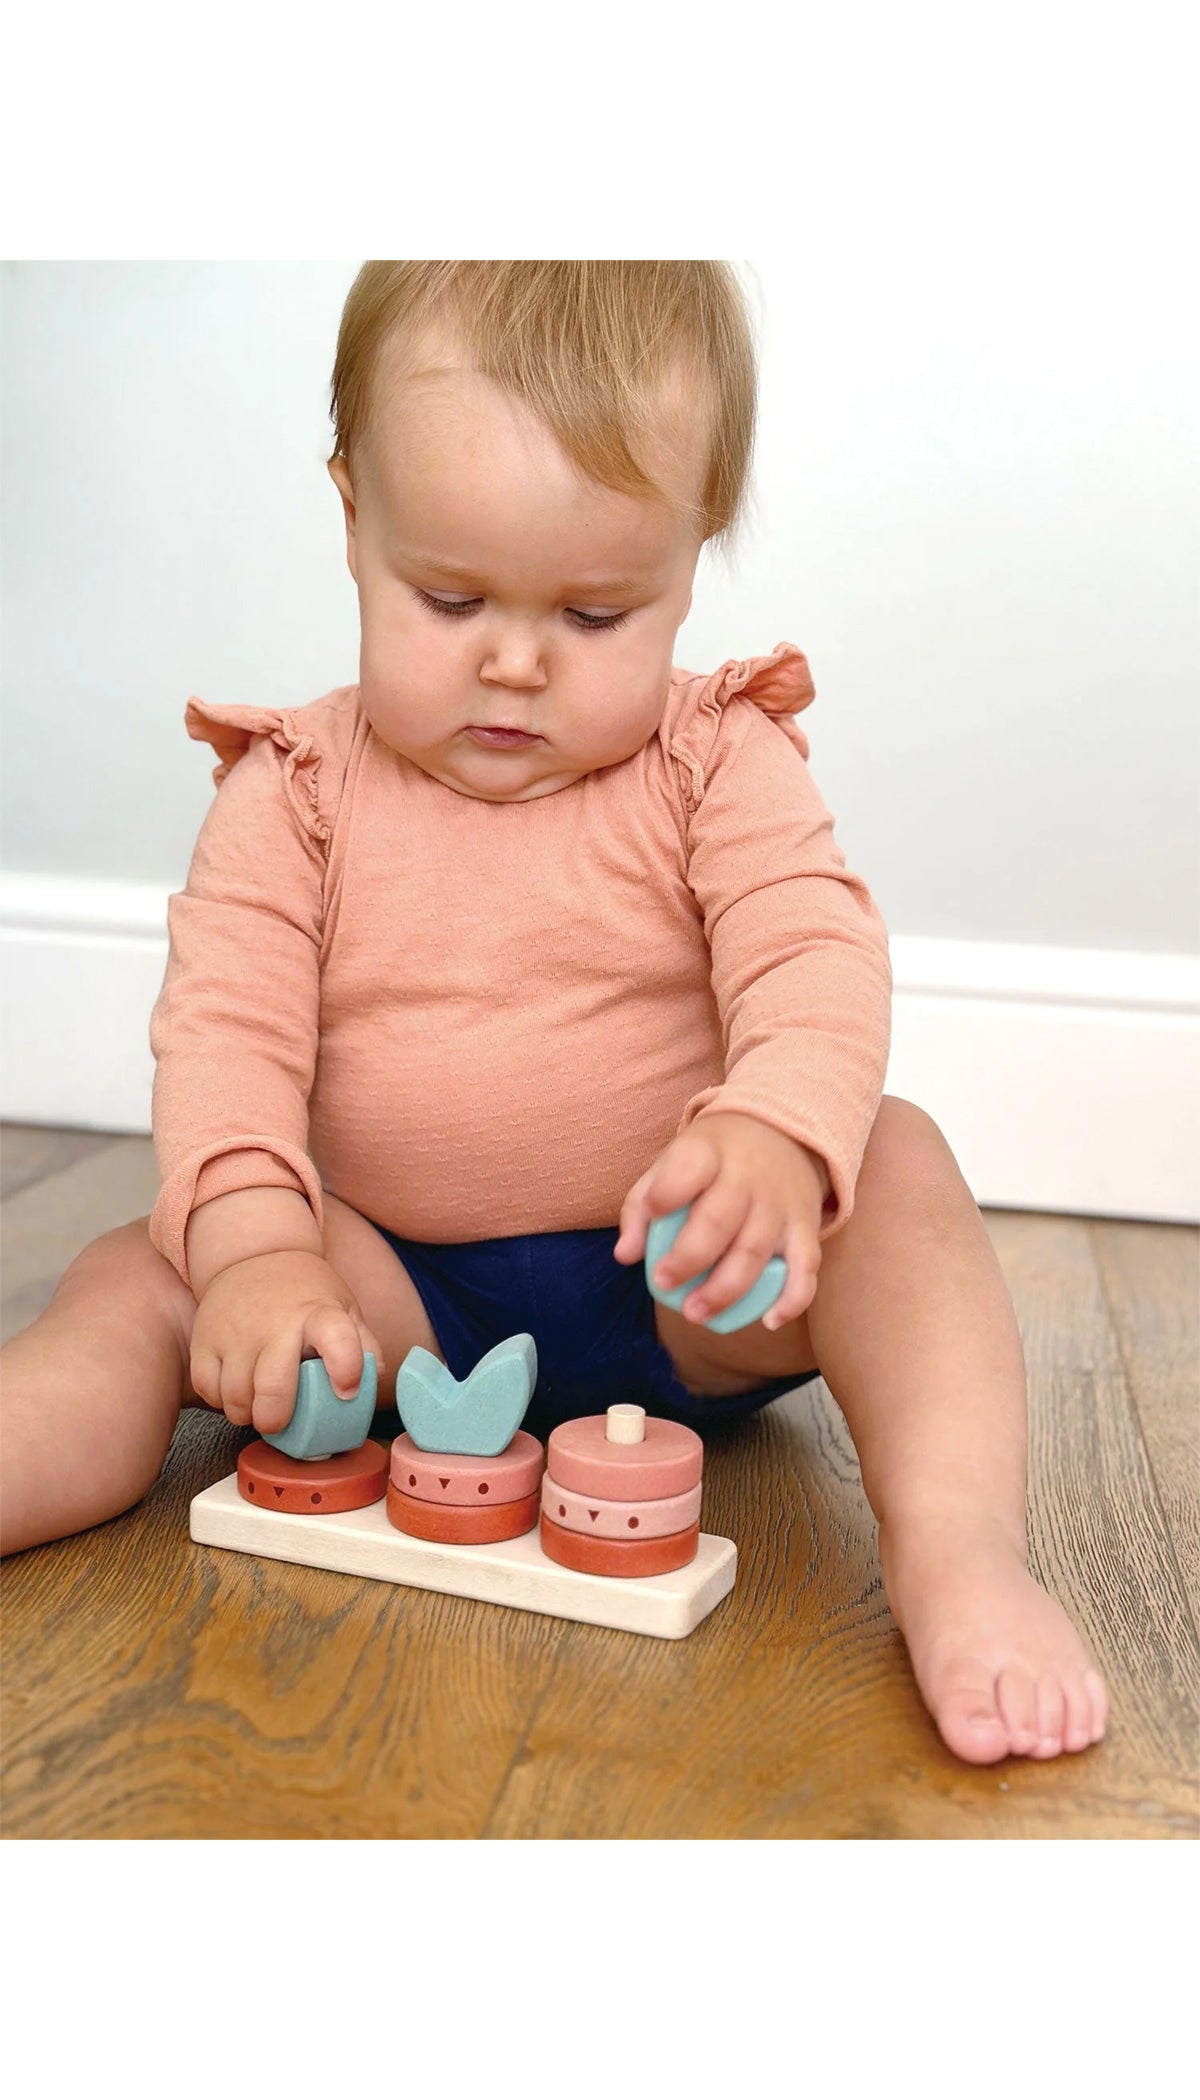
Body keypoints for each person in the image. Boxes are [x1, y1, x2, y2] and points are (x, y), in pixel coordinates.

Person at [0, 261, 1107, 1765]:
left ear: (690, 554)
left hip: (684, 1284)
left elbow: (810, 954)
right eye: (446, 598)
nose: (513, 662)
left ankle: (963, 1551)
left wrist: (777, 1135)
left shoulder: (715, 758)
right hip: (385, 1295)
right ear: (351, 522)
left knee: (894, 1163)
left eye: (596, 611)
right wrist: (260, 1251)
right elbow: (229, 1045)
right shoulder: (297, 798)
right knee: (142, 1278)